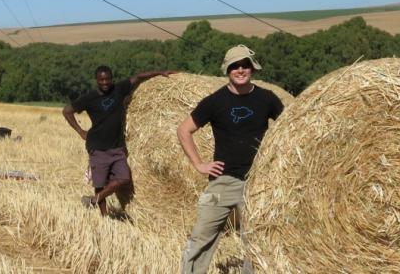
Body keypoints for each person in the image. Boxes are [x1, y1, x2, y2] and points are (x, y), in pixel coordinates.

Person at [177, 45, 284, 274]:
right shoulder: (215, 102)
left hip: (258, 182)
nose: (240, 69)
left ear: (252, 68)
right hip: (222, 181)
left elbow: (289, 128)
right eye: (235, 65)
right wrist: (199, 164)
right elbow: (184, 130)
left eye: (245, 65)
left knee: (255, 240)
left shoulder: (267, 99)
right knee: (201, 237)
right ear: (228, 69)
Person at [63, 65, 175, 216]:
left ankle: (95, 199)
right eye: (101, 79)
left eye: (108, 79)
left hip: (117, 147)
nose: (105, 82)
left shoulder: (119, 89)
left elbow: (139, 76)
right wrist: (80, 131)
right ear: (96, 80)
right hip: (98, 147)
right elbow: (67, 111)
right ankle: (103, 217)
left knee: (123, 178)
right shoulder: (89, 98)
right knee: (100, 183)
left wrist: (160, 72)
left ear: (112, 78)